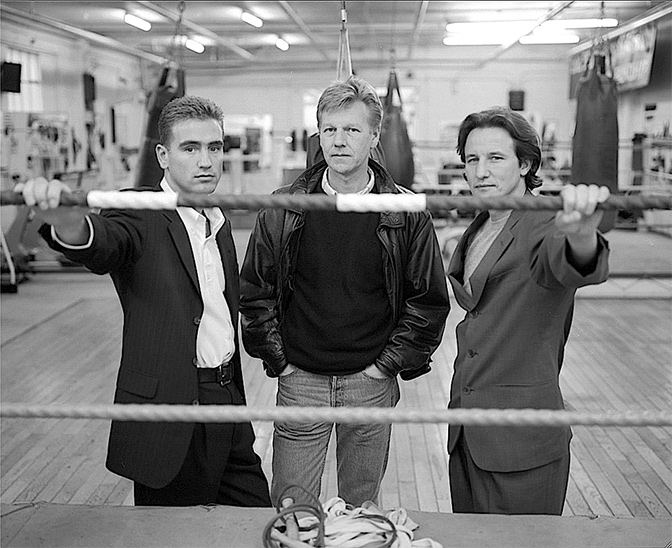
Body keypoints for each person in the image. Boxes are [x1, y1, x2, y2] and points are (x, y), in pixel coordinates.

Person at [17, 95, 271, 508]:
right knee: (174, 538)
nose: (206, 161)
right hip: (170, 413)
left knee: (256, 518)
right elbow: (103, 242)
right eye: (190, 148)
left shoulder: (217, 217)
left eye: (214, 148)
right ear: (163, 155)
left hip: (228, 403)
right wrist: (66, 219)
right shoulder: (140, 211)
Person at [239, 76, 450, 507]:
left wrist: (386, 366)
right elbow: (255, 292)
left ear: (375, 136)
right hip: (301, 381)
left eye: (352, 130)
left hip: (369, 383)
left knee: (360, 508)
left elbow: (427, 301)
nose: (339, 141)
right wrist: (279, 361)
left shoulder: (405, 211)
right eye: (330, 129)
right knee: (292, 509)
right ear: (319, 134)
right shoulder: (285, 206)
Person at [446, 106, 611, 515]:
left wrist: (584, 233)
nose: (481, 171)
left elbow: (570, 259)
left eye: (495, 158)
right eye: (472, 159)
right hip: (468, 431)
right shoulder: (483, 224)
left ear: (525, 164)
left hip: (521, 442)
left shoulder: (542, 224)